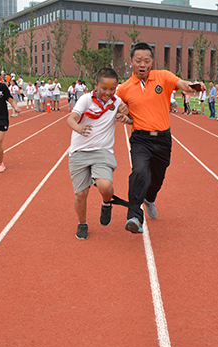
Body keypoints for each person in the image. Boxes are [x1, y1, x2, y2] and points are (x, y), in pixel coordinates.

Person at [117, 42, 198, 234]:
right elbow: (119, 111)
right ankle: (135, 216)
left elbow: (182, 84)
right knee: (139, 172)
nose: (142, 64)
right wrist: (124, 116)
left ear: (152, 61)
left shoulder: (163, 76)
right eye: (138, 60)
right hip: (140, 138)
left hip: (162, 139)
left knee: (157, 179)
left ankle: (150, 198)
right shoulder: (125, 88)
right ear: (131, 62)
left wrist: (192, 86)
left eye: (147, 60)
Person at [66, 68, 130, 240]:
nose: (108, 92)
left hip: (103, 151)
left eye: (112, 89)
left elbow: (129, 117)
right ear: (96, 85)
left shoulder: (117, 102)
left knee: (105, 186)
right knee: (80, 194)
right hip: (79, 152)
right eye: (104, 88)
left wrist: (127, 118)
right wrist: (79, 128)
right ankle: (82, 224)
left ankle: (106, 203)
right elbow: (71, 119)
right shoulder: (85, 99)